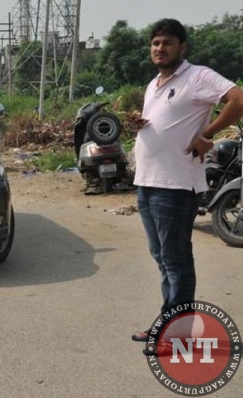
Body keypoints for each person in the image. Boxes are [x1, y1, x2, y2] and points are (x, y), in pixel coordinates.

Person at [130, 19, 243, 355]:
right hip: (147, 183)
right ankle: (171, 322)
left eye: (166, 43)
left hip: (175, 186)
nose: (159, 49)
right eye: (155, 43)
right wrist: (142, 124)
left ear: (182, 46)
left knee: (176, 260)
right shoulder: (154, 84)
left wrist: (207, 134)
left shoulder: (198, 76)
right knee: (163, 258)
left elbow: (237, 98)